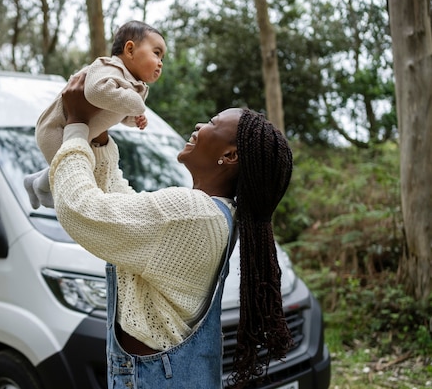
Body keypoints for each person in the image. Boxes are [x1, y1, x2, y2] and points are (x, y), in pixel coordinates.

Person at [49, 73, 295, 388]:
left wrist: (76, 126)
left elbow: (80, 209)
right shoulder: (214, 214)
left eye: (211, 123)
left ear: (230, 156)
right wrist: (99, 140)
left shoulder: (192, 214)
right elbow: (122, 211)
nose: (199, 127)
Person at [23, 20, 165, 209]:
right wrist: (137, 105)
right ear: (130, 50)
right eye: (156, 53)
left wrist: (133, 118)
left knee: (80, 166)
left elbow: (117, 111)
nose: (160, 63)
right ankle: (41, 186)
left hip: (78, 133)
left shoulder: (130, 85)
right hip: (56, 128)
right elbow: (95, 92)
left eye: (162, 58)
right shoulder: (108, 68)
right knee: (72, 169)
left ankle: (35, 182)